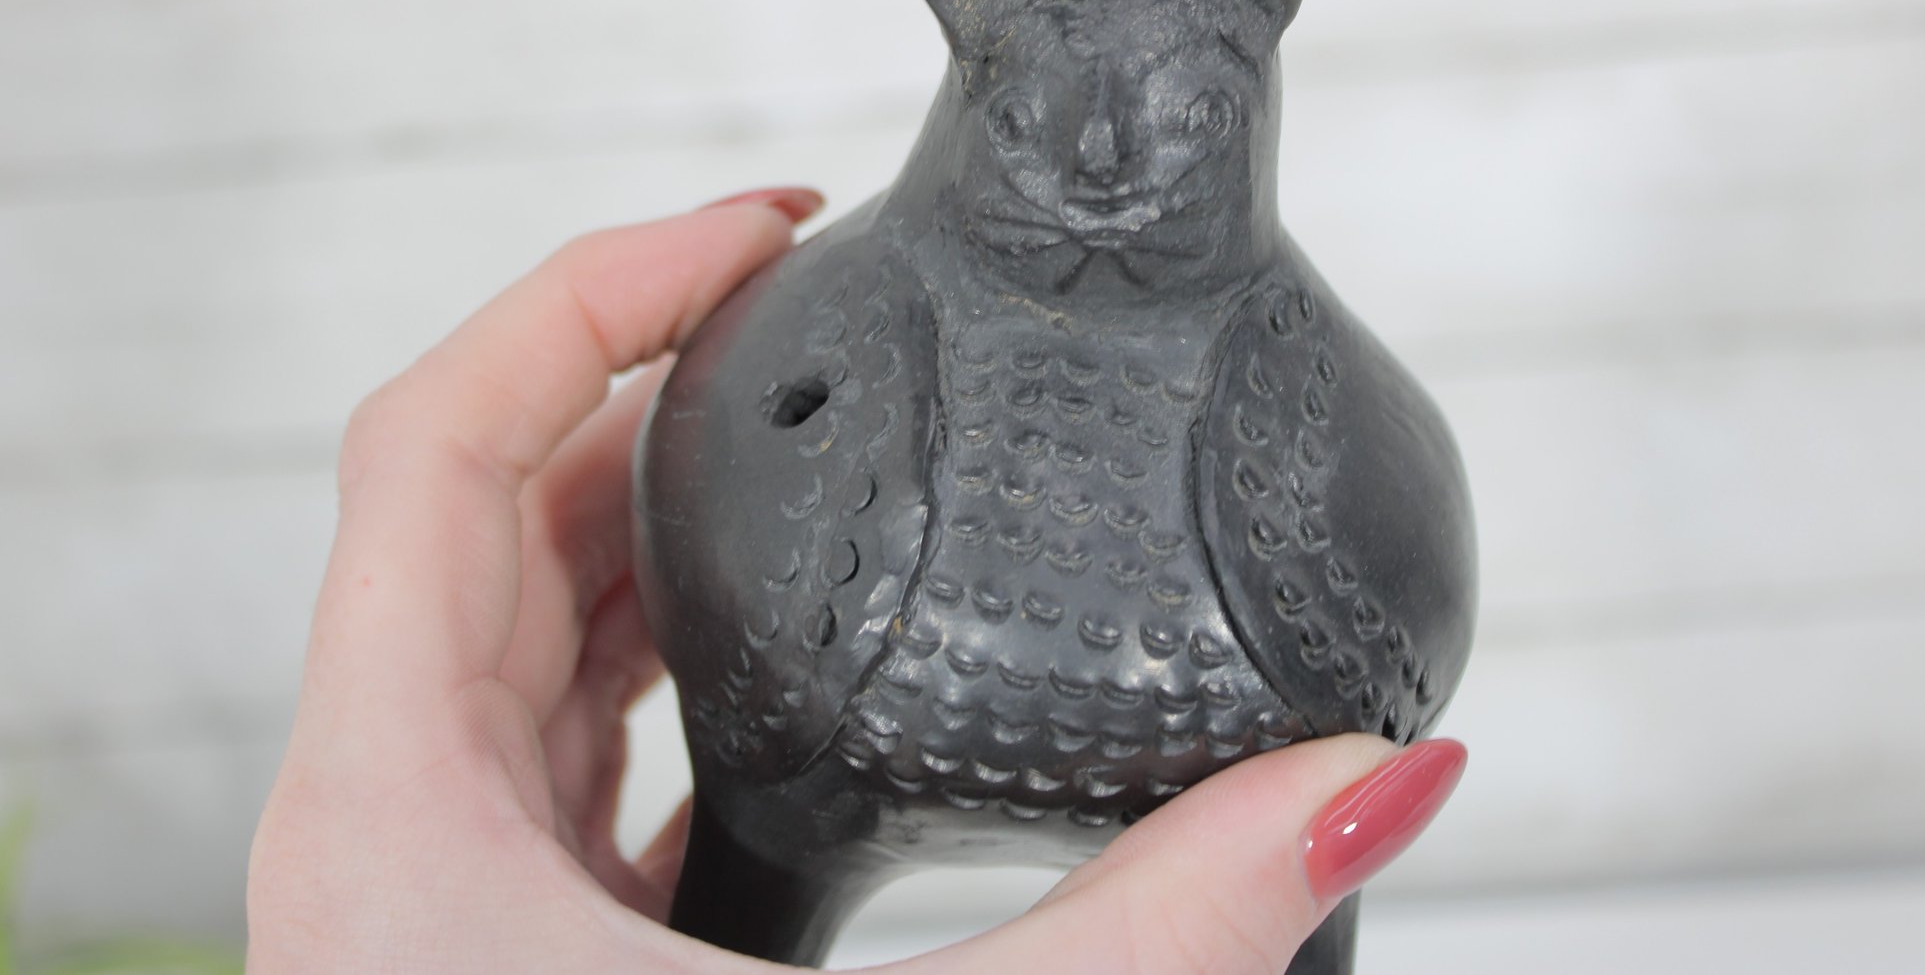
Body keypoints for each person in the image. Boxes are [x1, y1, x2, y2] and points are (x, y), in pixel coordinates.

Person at [245, 188, 1466, 973]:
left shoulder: (1291, 381)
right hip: (826, 734)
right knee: (770, 825)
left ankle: (754, 883)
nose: (1103, 163)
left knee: (766, 839)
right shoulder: (849, 327)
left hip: (842, 733)